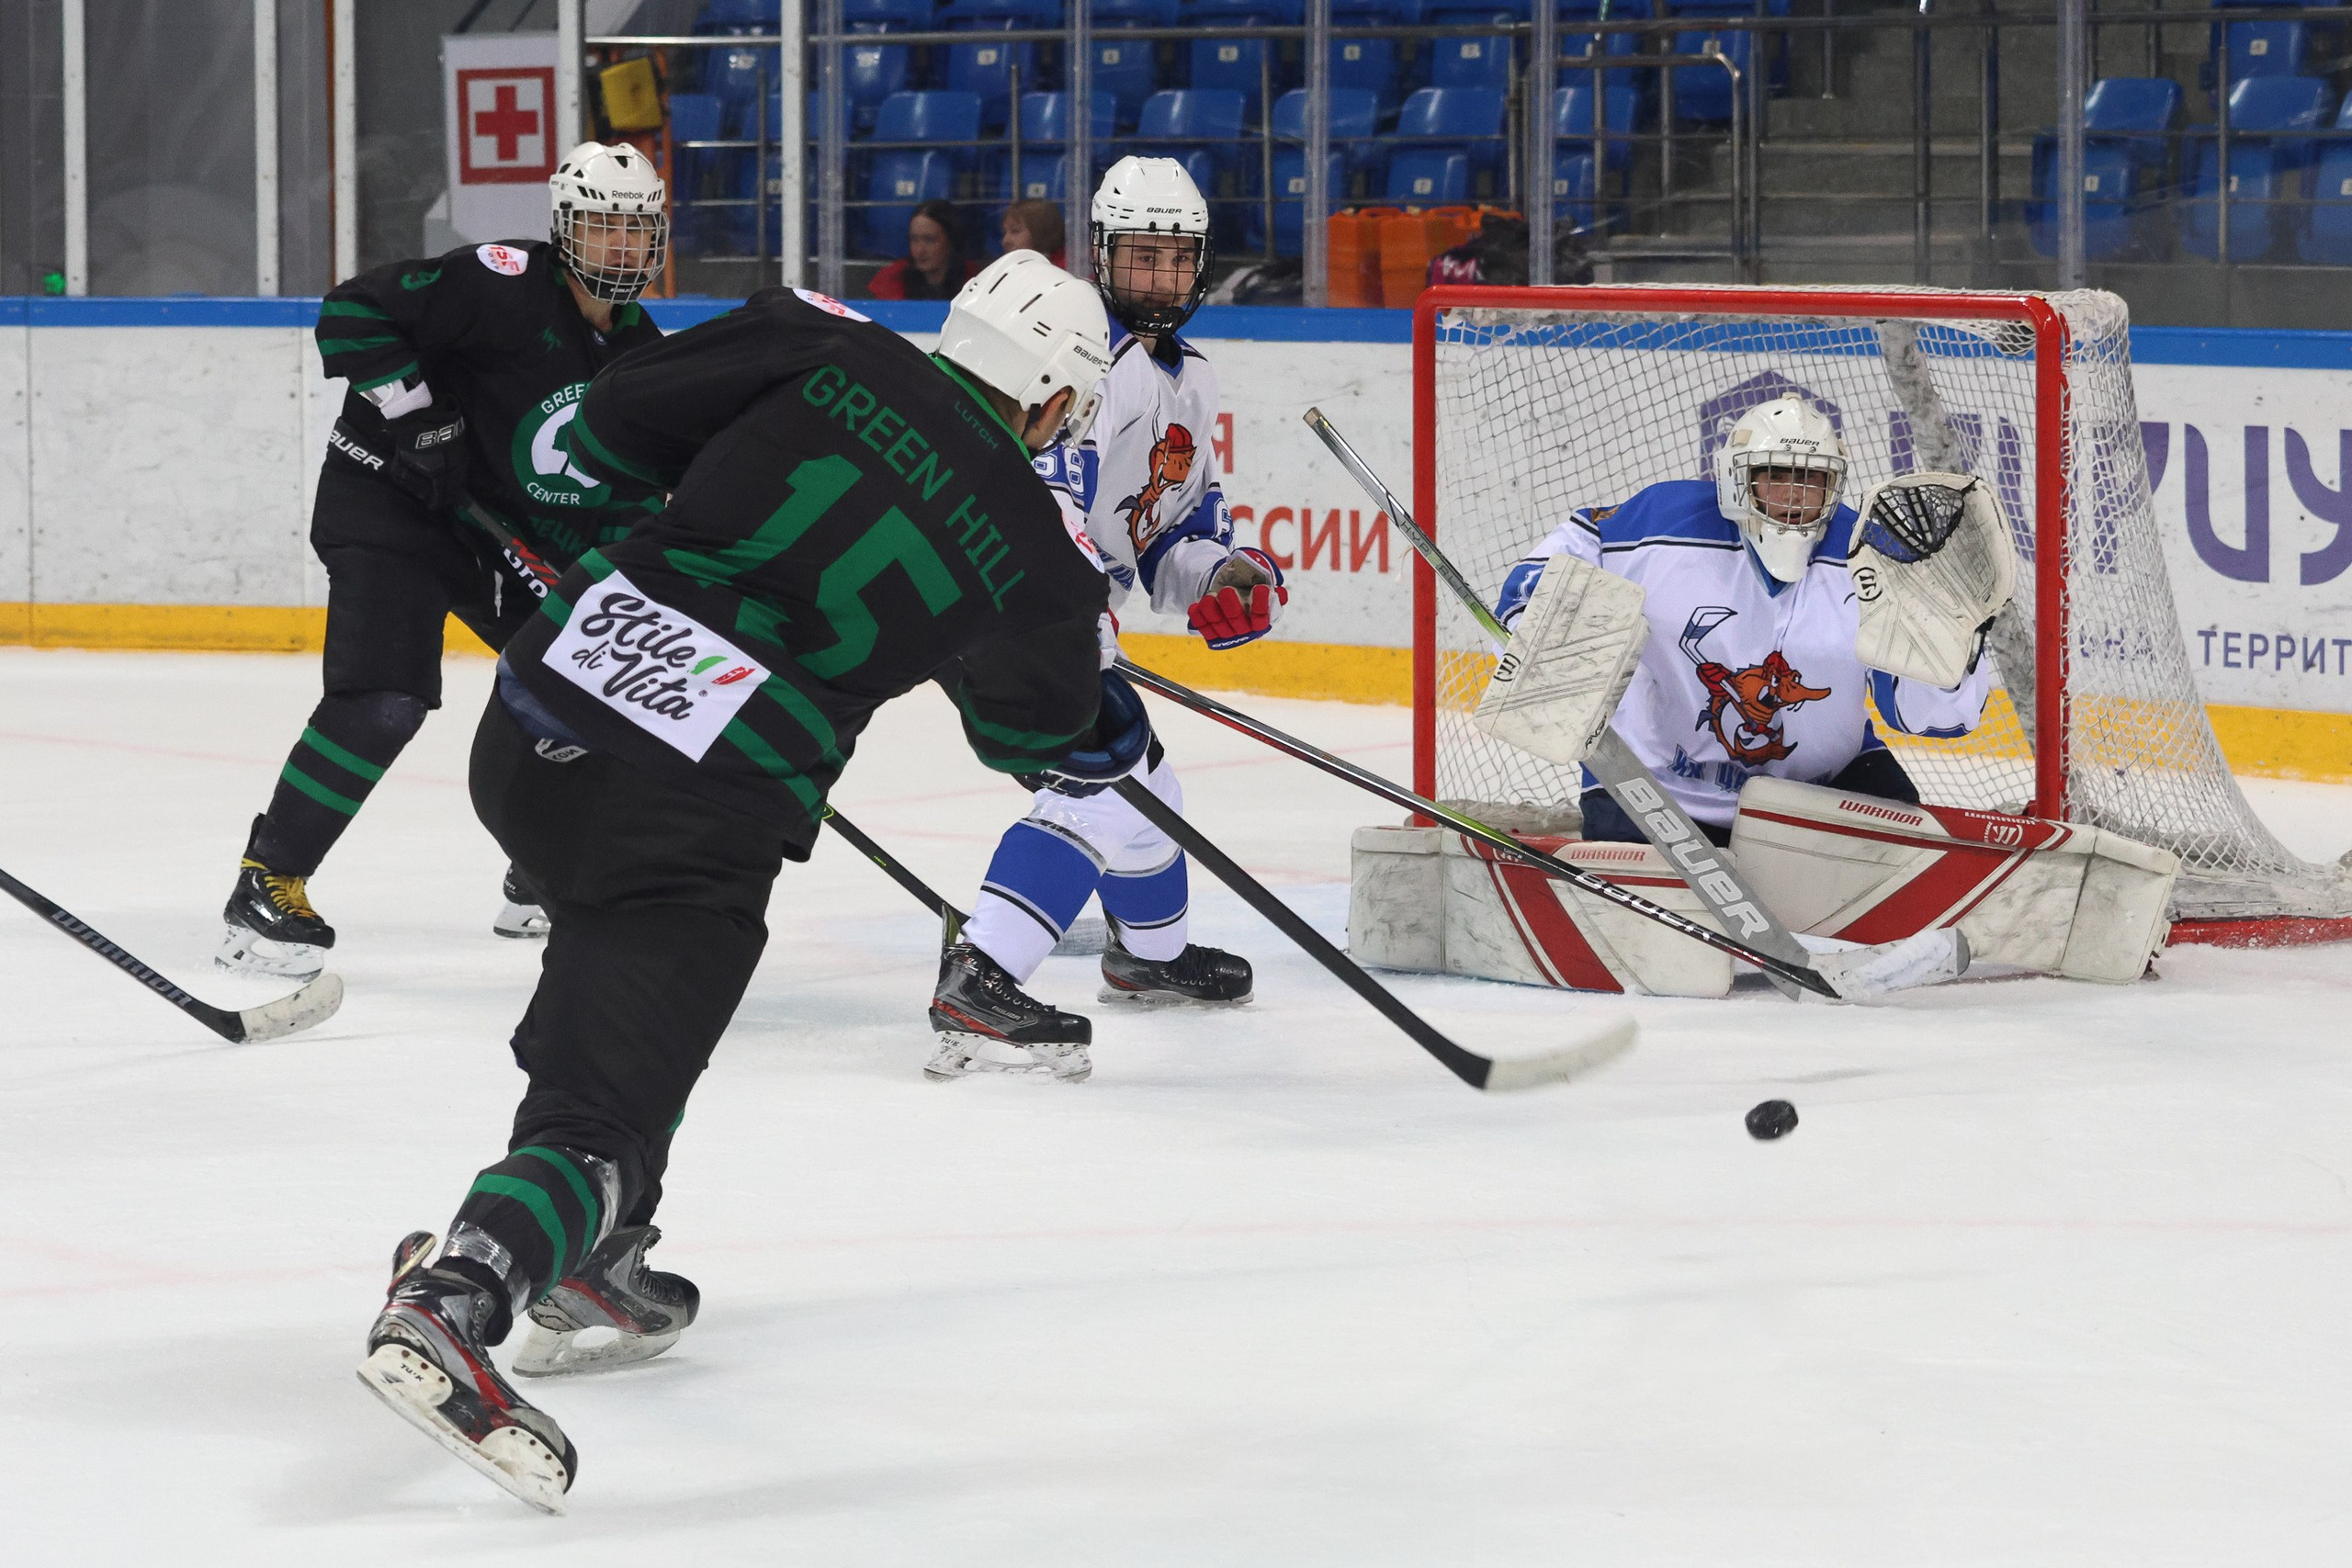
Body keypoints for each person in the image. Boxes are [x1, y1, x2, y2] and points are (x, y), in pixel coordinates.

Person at [356, 254, 1124, 1511]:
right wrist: (1100, 696)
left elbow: (598, 434)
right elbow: (1045, 738)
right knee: (604, 1099)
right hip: (688, 809)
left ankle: (594, 1251)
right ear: (1050, 400)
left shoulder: (822, 339)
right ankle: (465, 1289)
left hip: (537, 721)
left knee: (609, 957)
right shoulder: (1044, 558)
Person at [217, 142, 668, 977]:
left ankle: (539, 869)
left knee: (586, 693)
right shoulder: (498, 282)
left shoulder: (646, 356)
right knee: (385, 698)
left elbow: (627, 497)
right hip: (392, 499)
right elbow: (353, 313)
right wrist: (417, 412)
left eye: (638, 232)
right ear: (566, 230)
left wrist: (607, 601)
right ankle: (266, 882)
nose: (623, 250)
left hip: (499, 533)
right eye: (605, 229)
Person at [926, 156, 1290, 1083]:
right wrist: (1073, 613)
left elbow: (1172, 534)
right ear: (1101, 256)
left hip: (1057, 614)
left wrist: (1226, 572)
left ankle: (1146, 957)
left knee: (1148, 791)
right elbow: (1035, 500)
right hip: (1001, 607)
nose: (1159, 279)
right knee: (1095, 782)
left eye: (1176, 260)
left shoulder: (1190, 379)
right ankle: (983, 974)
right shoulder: (1084, 356)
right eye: (1139, 258)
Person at [1492, 392, 1995, 847]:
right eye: (1777, 475)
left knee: (1906, 866)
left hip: (1818, 791)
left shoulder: (1872, 557)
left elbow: (1931, 718)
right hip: (1652, 784)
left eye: (1813, 479)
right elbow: (1555, 567)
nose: (1796, 494)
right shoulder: (1657, 527)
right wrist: (1537, 619)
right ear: (1738, 478)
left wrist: (1957, 639)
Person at [866, 199, 978, 299]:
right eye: (914, 239)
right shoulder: (891, 279)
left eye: (929, 240)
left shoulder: (977, 281)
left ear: (952, 241)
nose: (920, 250)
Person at [1000, 197, 1066, 266]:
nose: (1005, 241)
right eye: (1004, 233)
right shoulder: (1007, 268)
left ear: (1041, 232)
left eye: (1015, 231)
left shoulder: (1066, 270)